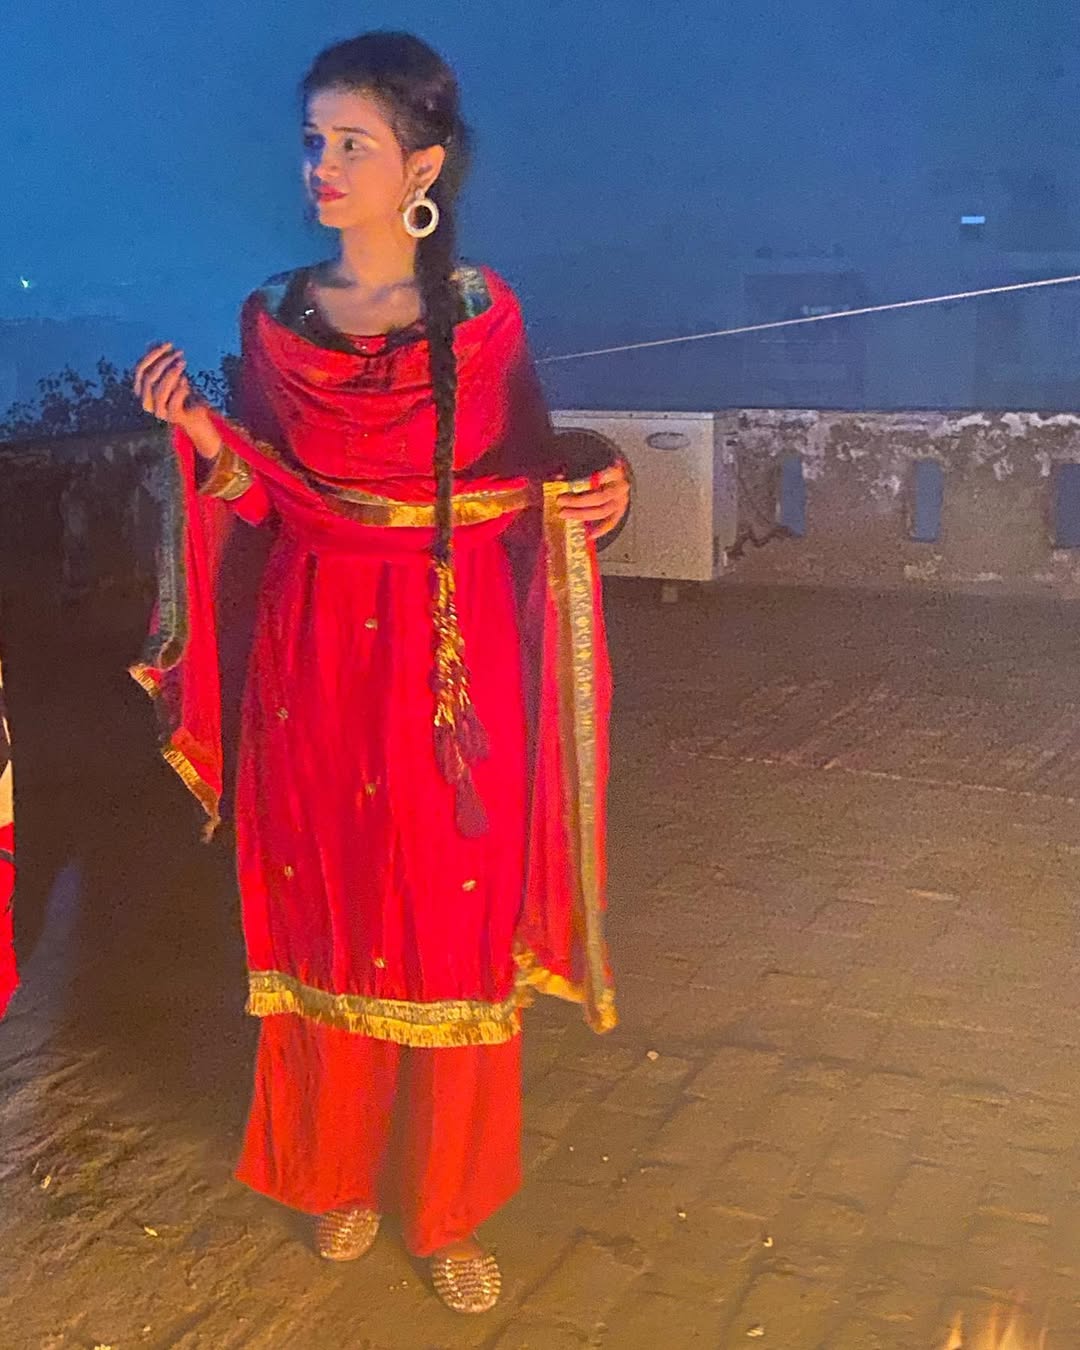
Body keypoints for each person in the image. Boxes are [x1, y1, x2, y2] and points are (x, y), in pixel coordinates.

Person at [130, 31, 629, 1315]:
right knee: (327, 909)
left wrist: (602, 481)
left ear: (423, 164)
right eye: (314, 139)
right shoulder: (272, 320)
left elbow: (535, 466)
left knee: (451, 918)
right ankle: (334, 1177)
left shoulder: (484, 315)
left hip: (453, 656)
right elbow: (265, 496)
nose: (323, 164)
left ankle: (448, 1207)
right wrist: (200, 435)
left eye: (352, 142)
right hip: (311, 650)